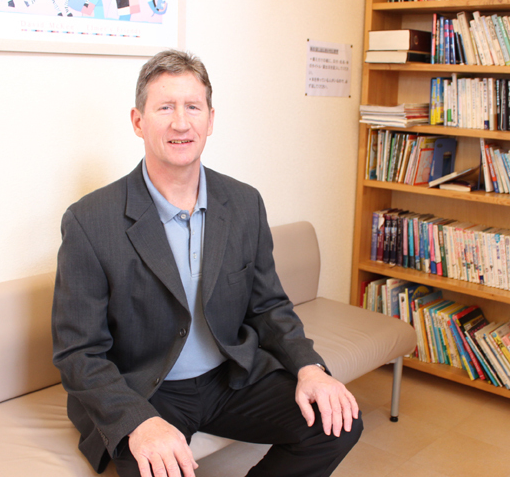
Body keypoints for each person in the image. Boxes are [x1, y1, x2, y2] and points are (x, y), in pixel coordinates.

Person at [52, 49, 363, 477]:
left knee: (337, 424)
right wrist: (138, 422)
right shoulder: (89, 220)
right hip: (143, 390)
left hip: (229, 377)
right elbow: (78, 352)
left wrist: (310, 368)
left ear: (210, 120)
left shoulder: (244, 203)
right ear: (138, 121)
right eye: (165, 107)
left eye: (193, 107)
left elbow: (269, 306)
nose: (181, 123)